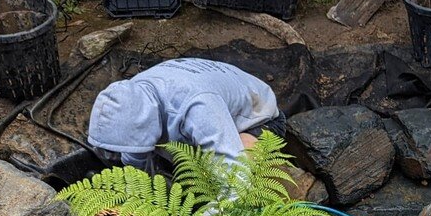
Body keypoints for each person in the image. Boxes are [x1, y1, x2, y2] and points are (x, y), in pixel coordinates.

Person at [87, 58, 285, 174]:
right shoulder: (135, 93)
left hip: (257, 120)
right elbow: (134, 156)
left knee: (235, 172)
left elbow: (235, 178)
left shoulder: (198, 106)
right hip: (209, 103)